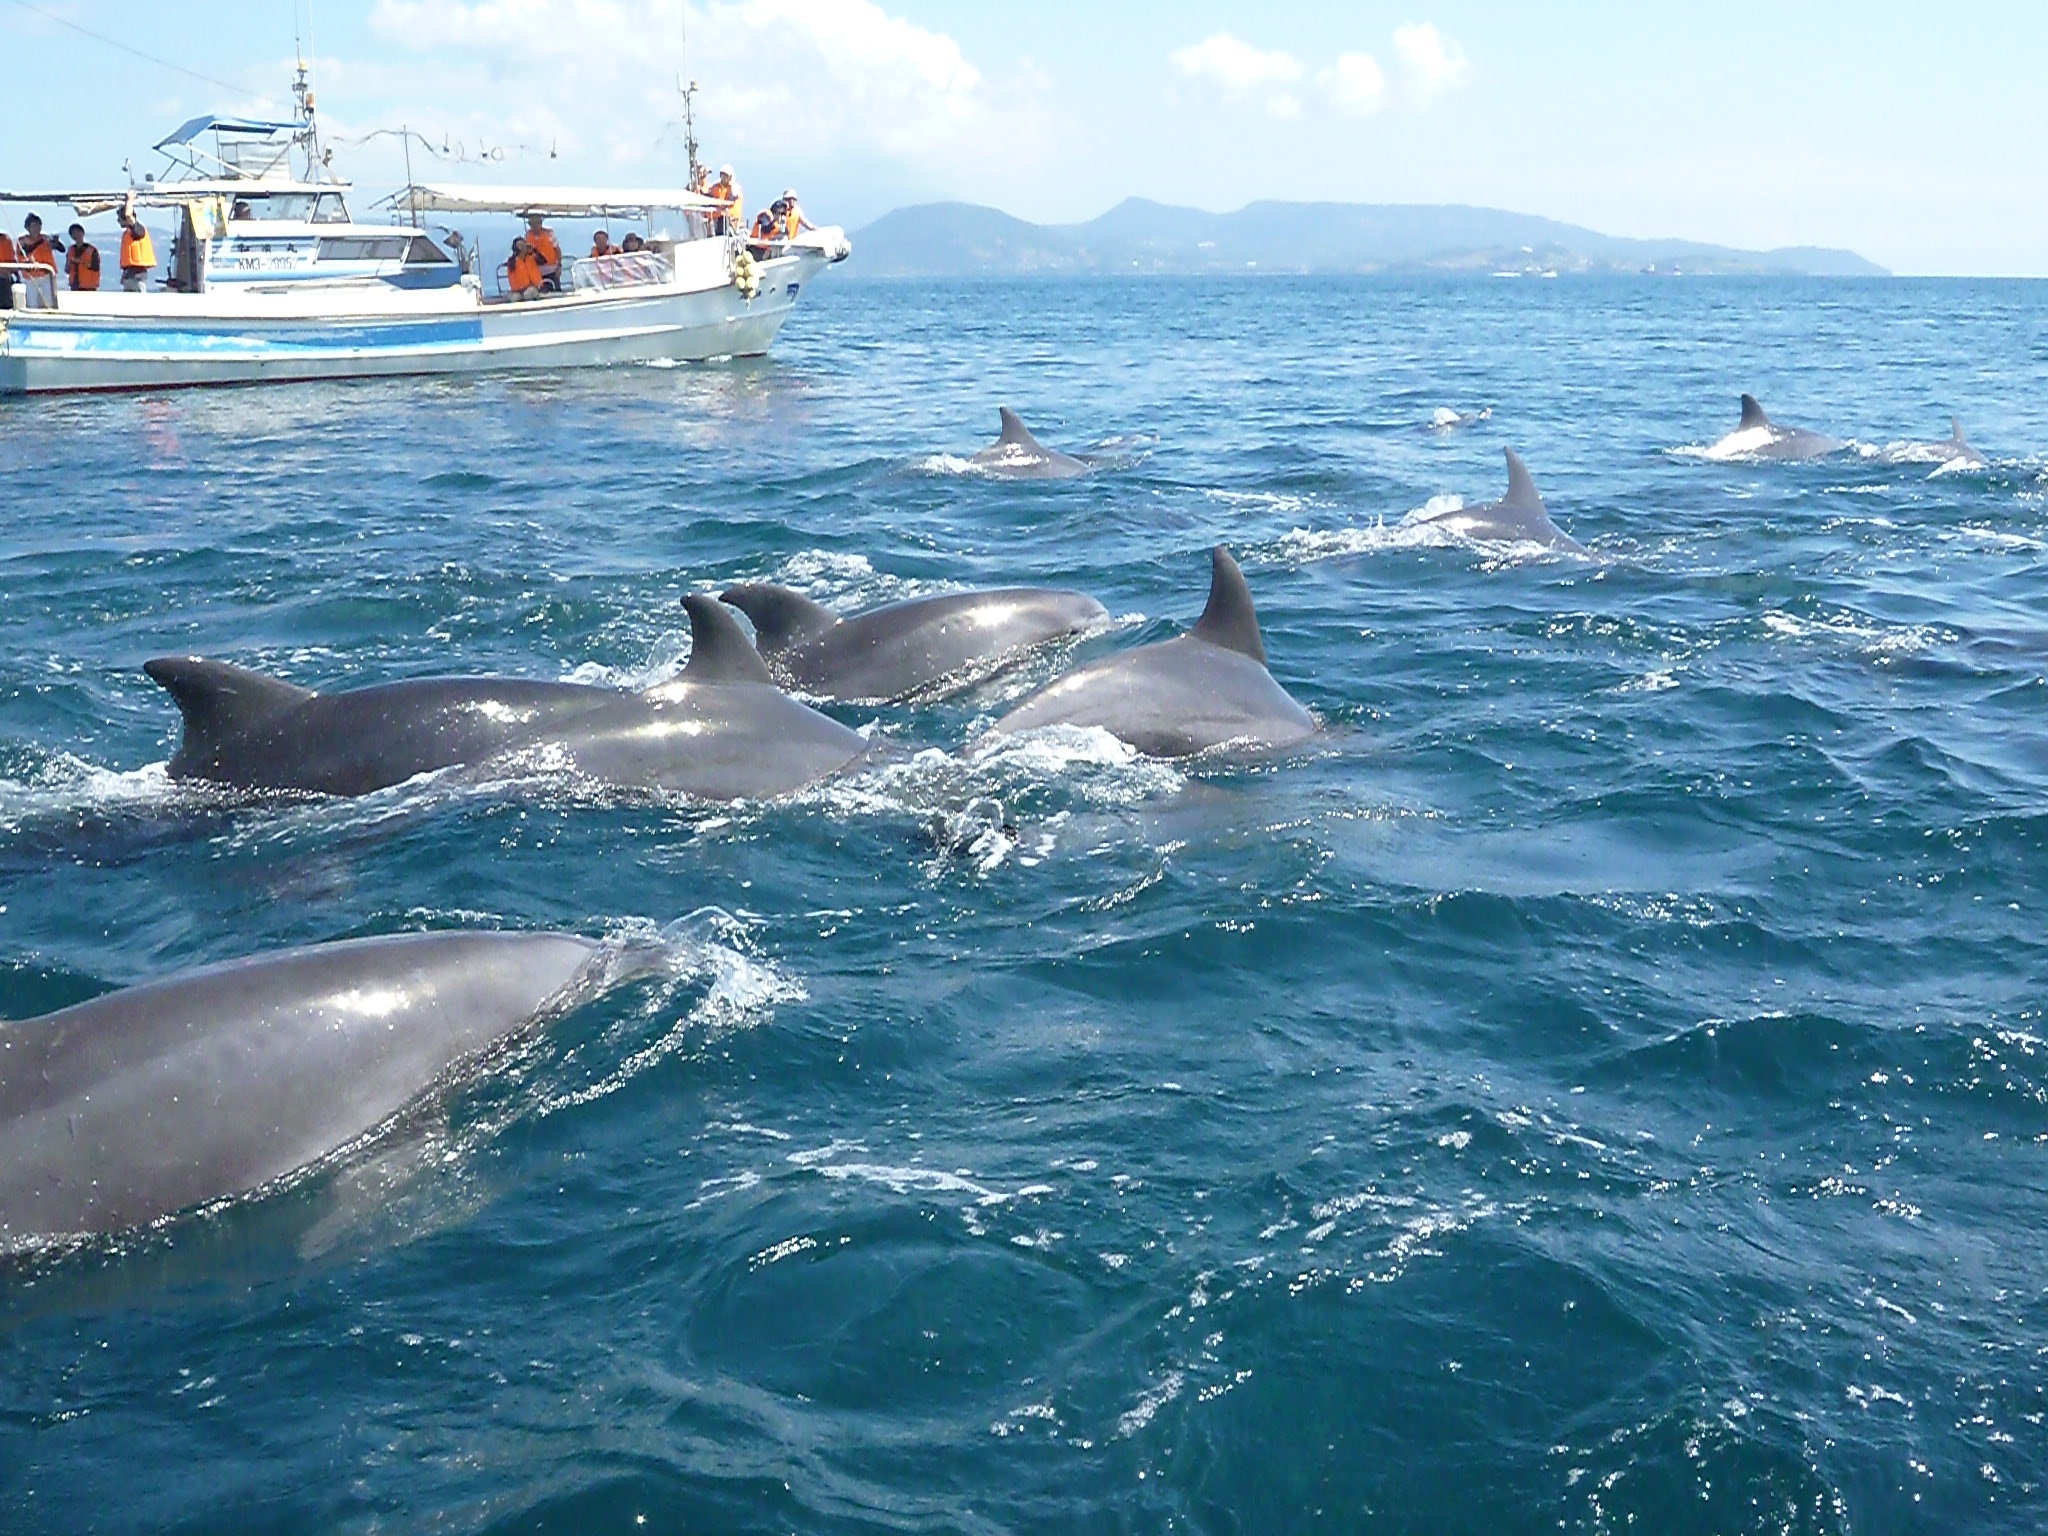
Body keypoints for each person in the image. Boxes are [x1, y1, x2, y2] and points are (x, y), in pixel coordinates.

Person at [118, 195, 157, 292]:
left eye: (119, 218)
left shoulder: (138, 230)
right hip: (129, 277)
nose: (118, 221)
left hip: (138, 277)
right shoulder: (127, 234)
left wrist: (130, 200)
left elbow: (128, 216)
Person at [522, 213, 561, 291]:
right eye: (532, 223)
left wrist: (559, 266)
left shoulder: (549, 233)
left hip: (551, 271)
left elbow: (558, 250)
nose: (535, 226)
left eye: (537, 223)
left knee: (555, 292)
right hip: (536, 273)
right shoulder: (527, 236)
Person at [65, 223, 101, 292]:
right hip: (75, 286)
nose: (76, 235)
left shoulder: (92, 250)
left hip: (89, 287)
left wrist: (81, 262)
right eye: (73, 233)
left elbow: (96, 266)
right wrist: (69, 263)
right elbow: (67, 269)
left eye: (77, 232)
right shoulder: (71, 250)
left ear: (82, 233)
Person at [708, 165, 742, 237]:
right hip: (718, 218)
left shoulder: (735, 188)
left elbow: (734, 196)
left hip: (732, 219)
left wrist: (732, 183)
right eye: (722, 175)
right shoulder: (714, 187)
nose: (724, 177)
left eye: (726, 175)